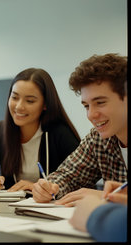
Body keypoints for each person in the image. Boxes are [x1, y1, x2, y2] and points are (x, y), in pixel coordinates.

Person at [32, 53, 127, 205]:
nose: (91, 115)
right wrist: (49, 188)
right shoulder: (98, 139)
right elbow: (68, 176)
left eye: (100, 102)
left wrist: (107, 198)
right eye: (86, 106)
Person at [0, 68, 80, 193]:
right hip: (9, 208)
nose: (19, 106)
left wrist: (36, 187)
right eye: (15, 97)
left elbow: (80, 181)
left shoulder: (60, 133)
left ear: (45, 104)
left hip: (49, 209)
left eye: (30, 101)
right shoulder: (0, 131)